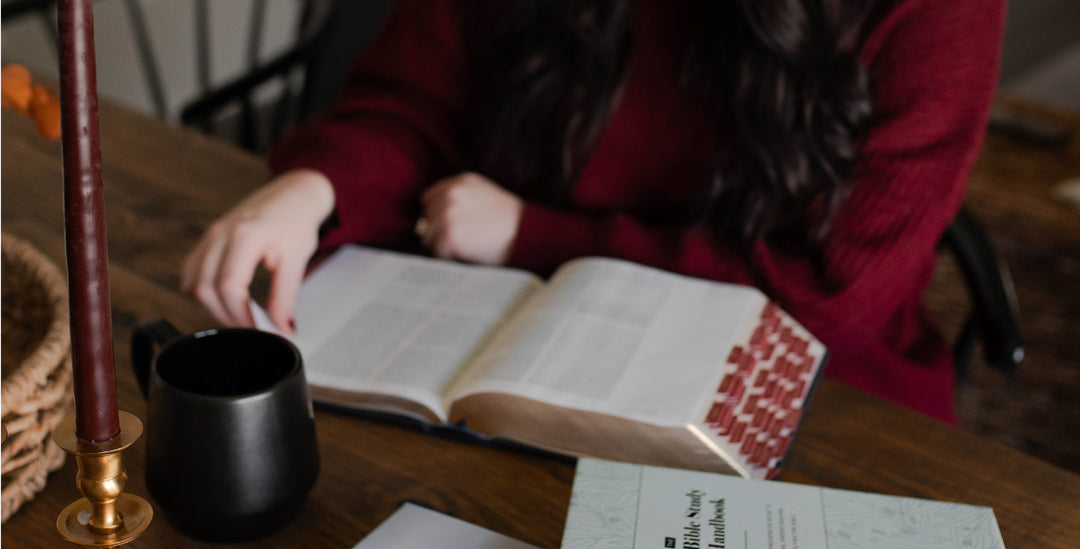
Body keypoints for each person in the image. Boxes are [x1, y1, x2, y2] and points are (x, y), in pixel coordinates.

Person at [181, 0, 1005, 424]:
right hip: (503, 332)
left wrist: (533, 235)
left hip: (804, 385)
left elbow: (833, 298)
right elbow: (416, 97)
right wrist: (314, 187)